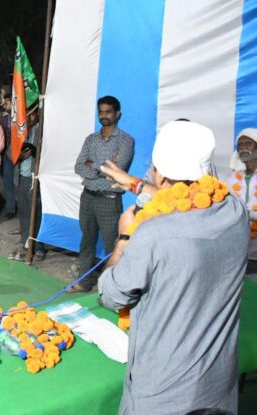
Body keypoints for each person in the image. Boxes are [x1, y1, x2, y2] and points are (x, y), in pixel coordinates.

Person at [96, 121, 245, 414]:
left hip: (163, 392)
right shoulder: (234, 211)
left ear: (159, 173)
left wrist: (125, 237)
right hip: (217, 386)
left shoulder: (151, 234)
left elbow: (111, 296)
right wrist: (133, 182)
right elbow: (180, 197)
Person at [72, 96, 135, 291]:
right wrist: (105, 166)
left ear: (117, 114)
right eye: (101, 112)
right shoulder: (91, 139)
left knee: (112, 246)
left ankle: (111, 289)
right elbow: (78, 166)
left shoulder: (125, 140)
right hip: (88, 196)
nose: (104, 116)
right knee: (86, 241)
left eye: (108, 112)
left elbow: (119, 169)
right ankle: (84, 282)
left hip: (109, 199)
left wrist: (93, 164)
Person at [9, 111, 47, 262]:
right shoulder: (20, 131)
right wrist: (18, 156)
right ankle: (26, 243)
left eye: (32, 115)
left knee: (36, 214)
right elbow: (9, 152)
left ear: (38, 114)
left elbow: (49, 152)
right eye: (26, 115)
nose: (29, 118)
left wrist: (35, 152)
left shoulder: (42, 129)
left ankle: (39, 247)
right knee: (24, 213)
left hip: (35, 178)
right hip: (22, 178)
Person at [224, 128, 257, 272]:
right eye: (240, 144)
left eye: (248, 143)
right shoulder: (232, 179)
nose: (243, 147)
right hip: (238, 253)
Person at [0, 93, 17, 220]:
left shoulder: (22, 118)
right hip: (7, 155)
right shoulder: (4, 120)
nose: (4, 105)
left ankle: (24, 207)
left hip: (21, 155)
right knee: (8, 182)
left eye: (6, 103)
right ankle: (11, 208)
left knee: (21, 183)